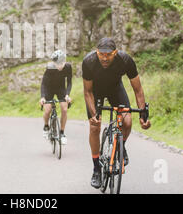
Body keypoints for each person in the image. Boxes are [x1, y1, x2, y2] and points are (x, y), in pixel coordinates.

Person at [82, 37, 151, 189]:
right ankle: (96, 169)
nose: (105, 58)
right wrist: (94, 115)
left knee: (127, 122)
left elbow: (138, 90)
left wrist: (143, 116)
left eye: (108, 55)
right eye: (101, 54)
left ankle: (121, 146)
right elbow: (87, 92)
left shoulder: (125, 60)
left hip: (115, 89)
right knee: (94, 127)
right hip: (96, 92)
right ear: (97, 52)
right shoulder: (89, 61)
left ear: (115, 52)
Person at [39, 50, 72, 145]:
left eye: (62, 63)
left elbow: (69, 82)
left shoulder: (68, 67)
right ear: (54, 63)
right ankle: (46, 126)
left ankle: (62, 133)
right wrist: (43, 97)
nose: (60, 66)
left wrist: (67, 94)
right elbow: (43, 84)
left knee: (64, 109)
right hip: (49, 89)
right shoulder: (49, 68)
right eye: (57, 63)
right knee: (47, 110)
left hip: (60, 88)